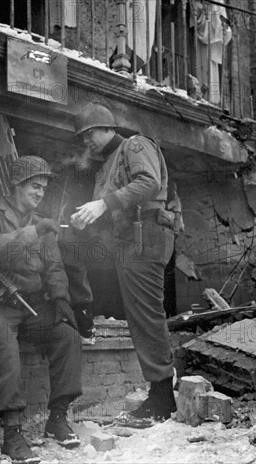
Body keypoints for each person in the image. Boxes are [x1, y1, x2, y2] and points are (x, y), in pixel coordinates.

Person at [70, 103, 177, 421]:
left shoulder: (135, 144)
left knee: (146, 315)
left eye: (90, 133)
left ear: (107, 127)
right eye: (83, 136)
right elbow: (111, 207)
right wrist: (85, 218)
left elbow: (149, 184)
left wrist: (102, 204)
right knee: (139, 315)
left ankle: (162, 399)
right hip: (128, 242)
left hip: (145, 237)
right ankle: (159, 393)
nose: (87, 141)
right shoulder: (105, 168)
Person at [0, 156, 82, 464]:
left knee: (67, 336)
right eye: (35, 186)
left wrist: (61, 299)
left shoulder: (42, 223)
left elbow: (54, 266)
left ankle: (57, 418)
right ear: (16, 186)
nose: (39, 193)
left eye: (43, 188)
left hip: (33, 306)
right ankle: (12, 434)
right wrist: (33, 232)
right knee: (7, 350)